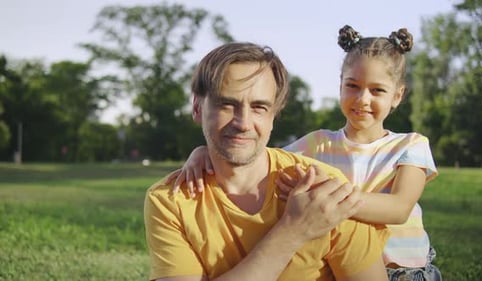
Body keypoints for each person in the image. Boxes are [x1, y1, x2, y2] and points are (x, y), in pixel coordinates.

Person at [166, 25, 441, 281]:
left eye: (377, 90)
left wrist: (329, 201)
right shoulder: (318, 143)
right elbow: (256, 154)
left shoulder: (410, 145)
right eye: (352, 86)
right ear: (340, 84)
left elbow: (399, 209)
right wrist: (204, 152)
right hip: (340, 263)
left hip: (403, 270)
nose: (362, 99)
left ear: (397, 96)